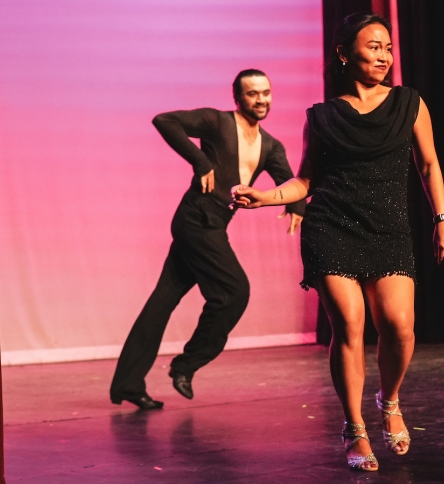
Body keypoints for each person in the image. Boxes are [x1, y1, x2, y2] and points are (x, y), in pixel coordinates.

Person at [230, 13, 444, 471]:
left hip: (388, 229)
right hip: (331, 227)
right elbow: (305, 180)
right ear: (344, 53)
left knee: (399, 325)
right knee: (350, 324)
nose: (384, 56)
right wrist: (263, 198)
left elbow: (430, 165)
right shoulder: (321, 117)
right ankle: (354, 427)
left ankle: (390, 399)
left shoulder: (409, 104)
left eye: (388, 47)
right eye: (374, 46)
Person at [110, 69, 305, 410]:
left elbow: (289, 181)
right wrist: (200, 161)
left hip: (213, 222)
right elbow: (164, 120)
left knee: (162, 301)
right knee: (233, 291)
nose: (261, 100)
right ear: (237, 97)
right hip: (196, 219)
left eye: (266, 93)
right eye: (252, 93)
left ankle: (127, 383)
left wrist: (297, 205)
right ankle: (185, 365)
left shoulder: (271, 145)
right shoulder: (217, 122)